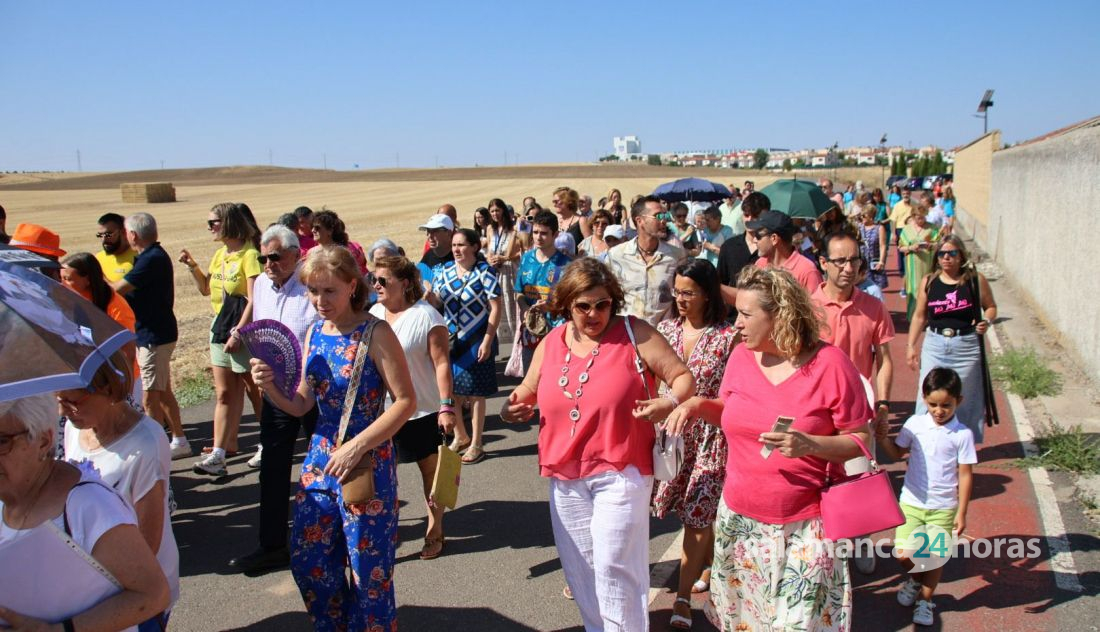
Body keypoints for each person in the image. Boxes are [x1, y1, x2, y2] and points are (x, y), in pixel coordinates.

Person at [664, 265, 873, 631]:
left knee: (794, 625)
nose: (738, 324)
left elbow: (861, 441)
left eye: (746, 314)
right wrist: (697, 405)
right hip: (739, 522)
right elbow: (732, 414)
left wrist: (811, 444)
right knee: (746, 623)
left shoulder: (831, 365)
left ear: (780, 315)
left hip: (807, 525)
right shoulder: (742, 357)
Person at [500, 257, 694, 632]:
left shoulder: (635, 332)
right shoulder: (553, 341)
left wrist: (669, 402)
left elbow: (683, 378)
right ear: (567, 305)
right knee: (581, 570)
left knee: (613, 564)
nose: (593, 313)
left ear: (613, 301)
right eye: (583, 305)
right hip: (565, 475)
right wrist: (514, 407)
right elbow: (528, 388)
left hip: (622, 471)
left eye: (602, 304)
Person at [250, 245, 415, 631]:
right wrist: (271, 387)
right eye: (313, 291)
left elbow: (405, 401)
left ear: (352, 286)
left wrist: (358, 445)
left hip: (366, 463)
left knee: (367, 572)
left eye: (329, 291)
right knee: (310, 563)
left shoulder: (376, 332)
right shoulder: (313, 333)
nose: (320, 301)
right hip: (320, 461)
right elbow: (301, 404)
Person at [0, 393, 170, 631]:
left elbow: (152, 594)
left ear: (43, 441)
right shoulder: (6, 500)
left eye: (2, 442)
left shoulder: (88, 505)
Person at [58, 350, 180, 630]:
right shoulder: (75, 428)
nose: (64, 411)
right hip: (88, 582)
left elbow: (149, 541)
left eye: (73, 401)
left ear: (110, 391)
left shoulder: (147, 442)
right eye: (60, 400)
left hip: (137, 587)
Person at [228, 225, 321, 574]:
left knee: (323, 465)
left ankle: (330, 538)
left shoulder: (311, 284)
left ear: (296, 255)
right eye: (264, 258)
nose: (268, 264)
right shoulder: (264, 285)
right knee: (273, 469)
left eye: (276, 257)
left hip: (315, 389)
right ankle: (272, 546)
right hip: (276, 390)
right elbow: (260, 322)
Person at [651, 260, 738, 630]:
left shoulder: (728, 336)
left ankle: (683, 598)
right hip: (668, 435)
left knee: (698, 515)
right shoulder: (664, 329)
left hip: (709, 436)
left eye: (690, 292)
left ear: (709, 293)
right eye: (678, 291)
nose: (681, 298)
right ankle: (713, 561)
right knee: (674, 508)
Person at [874, 368, 976, 627]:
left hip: (943, 508)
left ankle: (926, 600)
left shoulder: (963, 434)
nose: (939, 410)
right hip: (911, 502)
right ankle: (916, 579)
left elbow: (965, 475)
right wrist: (883, 439)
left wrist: (961, 512)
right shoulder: (914, 425)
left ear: (958, 401)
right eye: (933, 404)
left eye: (946, 405)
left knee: (936, 557)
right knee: (903, 554)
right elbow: (897, 454)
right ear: (924, 398)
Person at [370, 255, 456, 559]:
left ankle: (435, 530)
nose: (376, 285)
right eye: (374, 279)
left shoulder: (427, 316)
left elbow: (442, 362)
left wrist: (447, 406)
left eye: (383, 280)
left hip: (422, 409)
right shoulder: (374, 313)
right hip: (383, 411)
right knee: (380, 477)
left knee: (431, 474)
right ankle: (383, 533)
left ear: (405, 283)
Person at [179, 202, 261, 476]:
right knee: (224, 393)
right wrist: (192, 266)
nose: (210, 227)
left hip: (243, 330)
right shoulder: (221, 255)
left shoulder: (250, 254)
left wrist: (240, 331)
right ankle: (219, 454)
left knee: (255, 390)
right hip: (219, 327)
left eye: (213, 222)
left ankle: (266, 443)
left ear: (229, 222)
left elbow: (254, 298)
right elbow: (205, 290)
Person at [907, 235, 997, 443]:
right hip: (935, 344)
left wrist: (986, 321)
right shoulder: (929, 282)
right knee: (928, 392)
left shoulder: (975, 280)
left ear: (961, 255)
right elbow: (920, 316)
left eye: (952, 253)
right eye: (942, 253)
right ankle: (923, 442)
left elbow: (991, 307)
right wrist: (910, 346)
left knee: (963, 398)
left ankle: (962, 444)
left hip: (966, 346)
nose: (947, 257)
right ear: (937, 257)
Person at [114, 213, 188, 458]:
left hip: (154, 336)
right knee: (163, 391)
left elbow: (118, 290)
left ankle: (154, 452)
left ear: (133, 235)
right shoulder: (152, 256)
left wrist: (93, 278)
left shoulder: (151, 259)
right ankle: (179, 439)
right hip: (155, 333)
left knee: (150, 399)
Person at [429, 228, 501, 464]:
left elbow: (495, 308)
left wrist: (488, 340)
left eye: (461, 245)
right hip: (451, 339)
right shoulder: (444, 271)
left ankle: (477, 443)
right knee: (454, 390)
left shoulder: (485, 272)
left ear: (474, 247)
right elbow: (439, 302)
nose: (456, 250)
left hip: (478, 338)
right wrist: (429, 297)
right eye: (454, 245)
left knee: (476, 392)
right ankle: (461, 436)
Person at [59, 252, 140, 405]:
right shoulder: (75, 302)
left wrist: (124, 390)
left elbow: (128, 352)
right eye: (61, 278)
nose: (62, 284)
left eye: (68, 279)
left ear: (87, 280)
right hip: (94, 380)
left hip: (120, 381)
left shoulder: (116, 306)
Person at [605, 196, 685, 326]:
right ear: (640, 220)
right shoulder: (616, 255)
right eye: (658, 216)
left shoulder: (676, 256)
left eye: (665, 216)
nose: (664, 221)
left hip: (663, 336)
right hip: (626, 334)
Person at [512, 211, 571, 371]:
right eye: (536, 232)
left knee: (554, 378)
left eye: (544, 233)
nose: (538, 237)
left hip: (556, 331)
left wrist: (552, 306)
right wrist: (524, 308)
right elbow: (519, 292)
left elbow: (571, 300)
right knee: (530, 379)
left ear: (555, 234)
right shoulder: (526, 258)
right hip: (530, 331)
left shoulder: (566, 264)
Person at [748, 210, 823, 293]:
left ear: (774, 238)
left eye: (758, 236)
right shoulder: (760, 264)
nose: (754, 240)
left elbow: (816, 305)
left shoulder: (807, 271)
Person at [716, 191, 766, 307]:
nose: (750, 220)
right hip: (732, 317)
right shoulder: (729, 246)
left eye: (756, 216)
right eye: (746, 215)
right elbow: (720, 283)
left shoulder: (771, 249)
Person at [486, 200, 520, 342]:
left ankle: (515, 337)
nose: (495, 214)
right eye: (492, 211)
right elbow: (488, 249)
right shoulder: (490, 228)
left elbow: (520, 251)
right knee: (496, 303)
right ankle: (500, 338)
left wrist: (505, 258)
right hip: (495, 271)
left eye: (497, 210)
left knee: (511, 302)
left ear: (504, 211)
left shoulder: (514, 228)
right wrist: (490, 259)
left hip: (509, 270)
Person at [898, 208, 940, 320]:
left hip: (928, 264)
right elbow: (901, 247)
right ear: (913, 216)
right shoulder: (907, 230)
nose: (921, 220)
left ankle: (927, 317)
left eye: (923, 217)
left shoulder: (932, 228)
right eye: (918, 217)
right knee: (913, 289)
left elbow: (939, 244)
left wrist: (930, 245)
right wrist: (911, 247)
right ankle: (913, 317)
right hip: (912, 265)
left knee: (928, 289)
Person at [309, 209, 368, 276]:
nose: (313, 230)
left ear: (330, 231)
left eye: (317, 228)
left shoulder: (343, 253)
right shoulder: (311, 253)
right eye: (312, 227)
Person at [94, 212, 136, 283]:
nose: (104, 239)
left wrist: (99, 276)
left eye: (109, 234)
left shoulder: (139, 259)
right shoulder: (97, 259)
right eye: (100, 235)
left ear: (123, 232)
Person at [418, 213, 456, 290]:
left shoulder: (459, 256)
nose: (429, 236)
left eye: (434, 231)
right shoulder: (428, 255)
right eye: (428, 231)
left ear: (448, 233)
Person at [857, 203, 889, 289]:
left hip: (874, 262)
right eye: (861, 215)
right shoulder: (859, 227)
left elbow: (882, 246)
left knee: (876, 289)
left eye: (864, 215)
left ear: (871, 216)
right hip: (862, 263)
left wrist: (881, 261)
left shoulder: (879, 228)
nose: (861, 217)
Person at [889, 190, 914, 288]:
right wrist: (893, 233)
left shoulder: (913, 205)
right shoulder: (897, 205)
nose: (906, 195)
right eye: (904, 194)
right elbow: (894, 220)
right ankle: (902, 270)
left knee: (910, 250)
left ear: (910, 194)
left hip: (910, 229)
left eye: (907, 193)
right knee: (900, 251)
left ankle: (909, 269)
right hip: (900, 229)